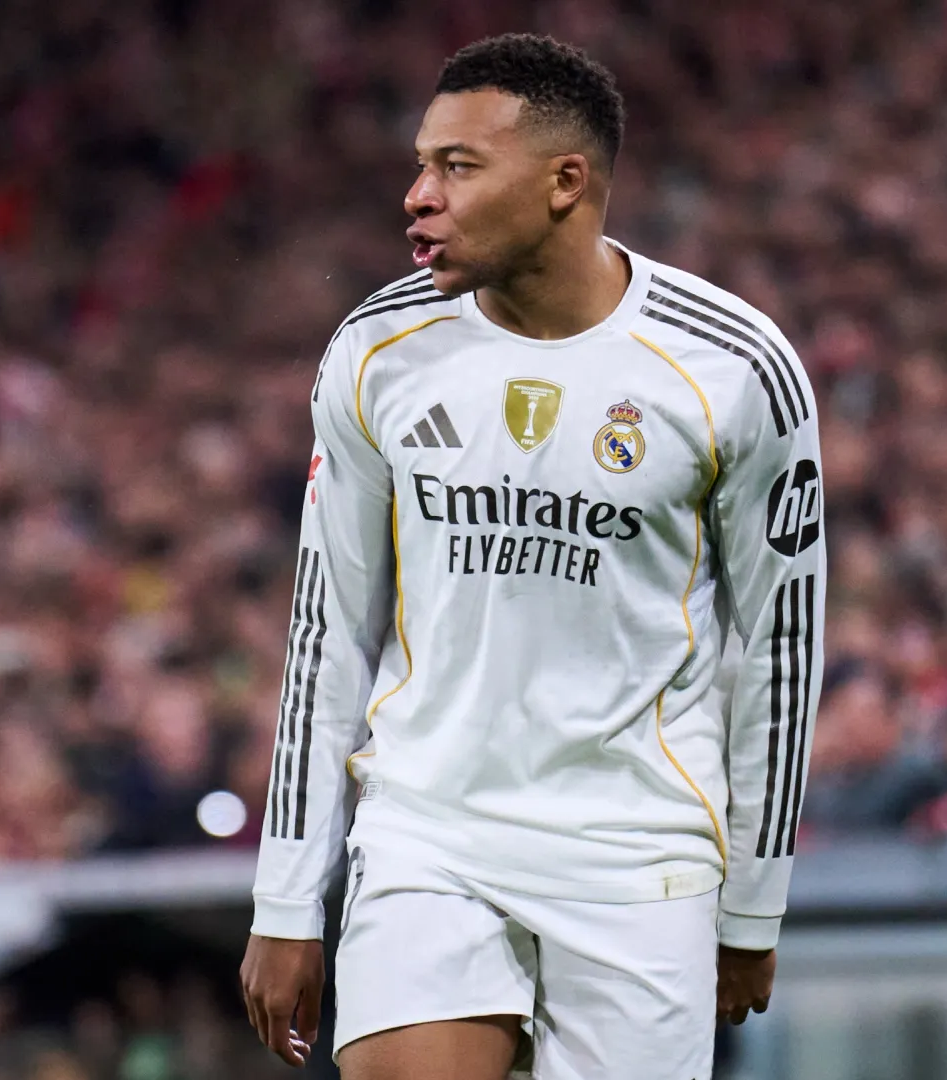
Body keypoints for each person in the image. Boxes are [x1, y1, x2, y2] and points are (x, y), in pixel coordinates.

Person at [238, 34, 825, 1080]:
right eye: (422, 164)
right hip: (430, 839)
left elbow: (782, 648)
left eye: (458, 167)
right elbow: (328, 631)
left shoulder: (733, 367)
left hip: (639, 858)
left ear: (566, 182)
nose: (419, 195)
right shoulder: (376, 350)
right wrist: (287, 896)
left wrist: (753, 904)